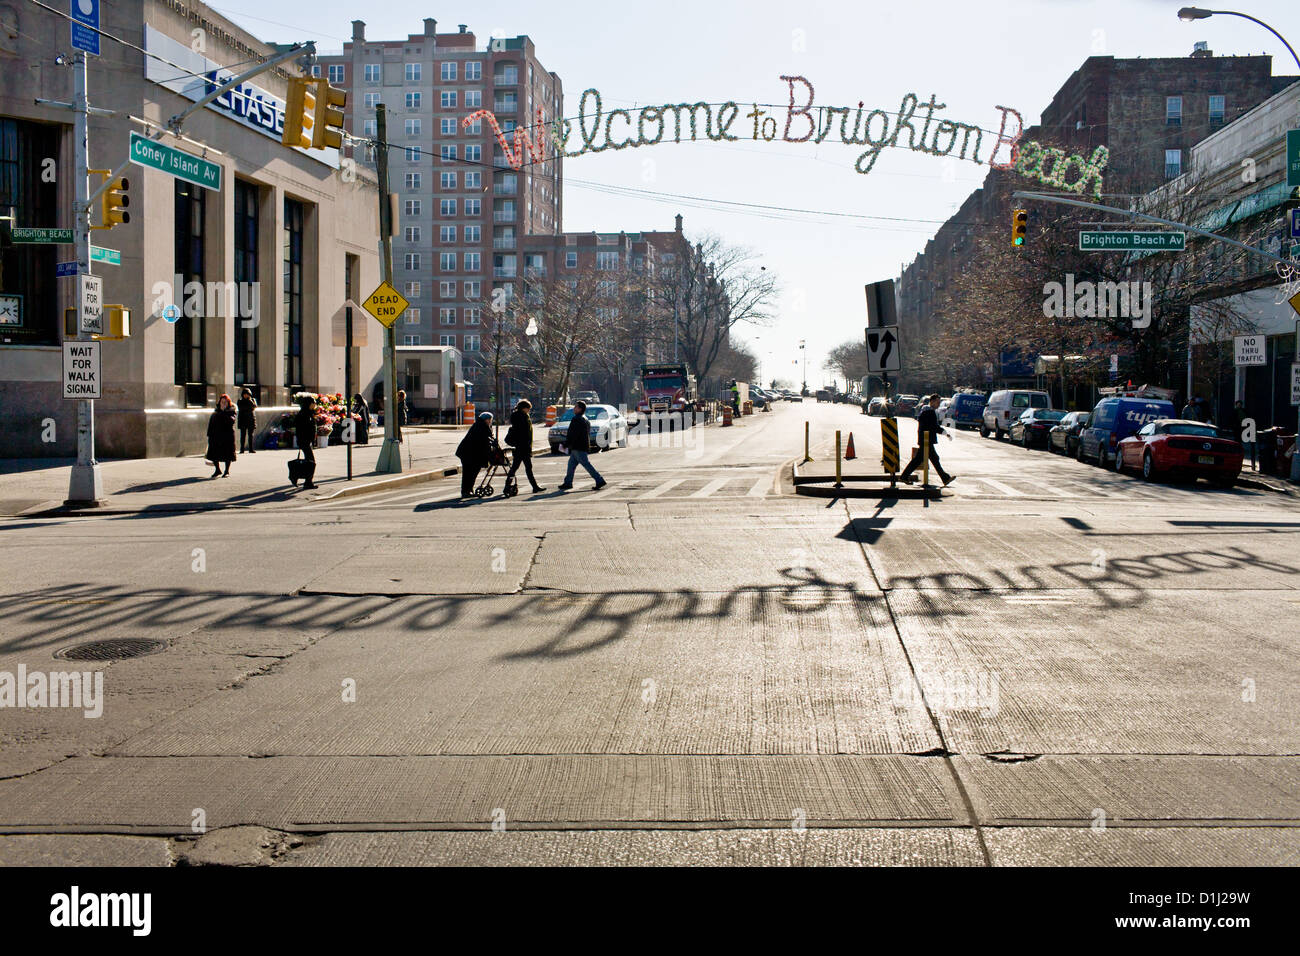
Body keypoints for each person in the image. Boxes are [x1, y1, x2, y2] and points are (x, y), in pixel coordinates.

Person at [901, 394, 955, 487]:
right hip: (927, 440)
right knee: (931, 459)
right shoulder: (930, 412)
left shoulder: (925, 410)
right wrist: (945, 433)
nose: (938, 404)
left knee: (923, 459)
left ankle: (904, 476)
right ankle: (945, 478)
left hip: (924, 439)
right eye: (937, 402)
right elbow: (933, 426)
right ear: (932, 401)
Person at [557, 400, 607, 491]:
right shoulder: (585, 419)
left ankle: (599, 480)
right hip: (581, 445)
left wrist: (566, 444)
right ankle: (568, 482)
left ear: (580, 409)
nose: (574, 409)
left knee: (586, 464)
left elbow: (573, 434)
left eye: (576, 407)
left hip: (578, 446)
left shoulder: (576, 419)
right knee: (571, 465)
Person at [504, 399, 545, 493]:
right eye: (528, 408)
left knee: (517, 467)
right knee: (525, 467)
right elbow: (524, 433)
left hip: (520, 446)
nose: (529, 410)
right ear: (524, 408)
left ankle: (508, 485)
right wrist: (527, 446)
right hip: (522, 446)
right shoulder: (521, 417)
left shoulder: (520, 416)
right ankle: (534, 486)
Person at [456, 412, 498, 499]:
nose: (490, 421)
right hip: (468, 453)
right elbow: (483, 441)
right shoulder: (481, 427)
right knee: (469, 473)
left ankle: (468, 490)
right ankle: (466, 491)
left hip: (471, 453)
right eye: (490, 420)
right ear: (486, 419)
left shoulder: (480, 425)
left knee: (472, 472)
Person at [205, 394, 237, 478]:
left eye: (225, 402)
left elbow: (231, 421)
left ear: (228, 403)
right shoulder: (216, 411)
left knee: (228, 454)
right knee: (214, 453)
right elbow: (211, 423)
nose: (223, 404)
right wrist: (209, 434)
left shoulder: (231, 411)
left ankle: (227, 471)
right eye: (222, 402)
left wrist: (223, 412)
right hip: (215, 435)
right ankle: (217, 470)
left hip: (227, 435)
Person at [293, 393, 319, 490]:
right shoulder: (303, 414)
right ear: (309, 403)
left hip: (307, 441)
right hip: (304, 441)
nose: (315, 405)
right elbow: (301, 428)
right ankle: (307, 481)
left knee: (309, 461)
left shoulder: (308, 413)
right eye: (313, 403)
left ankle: (307, 481)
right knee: (311, 461)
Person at [236, 387, 258, 454]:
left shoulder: (252, 400)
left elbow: (254, 407)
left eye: (247, 394)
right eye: (245, 394)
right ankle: (242, 449)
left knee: (250, 435)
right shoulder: (240, 401)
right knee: (243, 435)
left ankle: (251, 449)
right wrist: (248, 406)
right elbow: (242, 408)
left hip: (251, 420)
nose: (246, 395)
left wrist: (249, 400)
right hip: (243, 420)